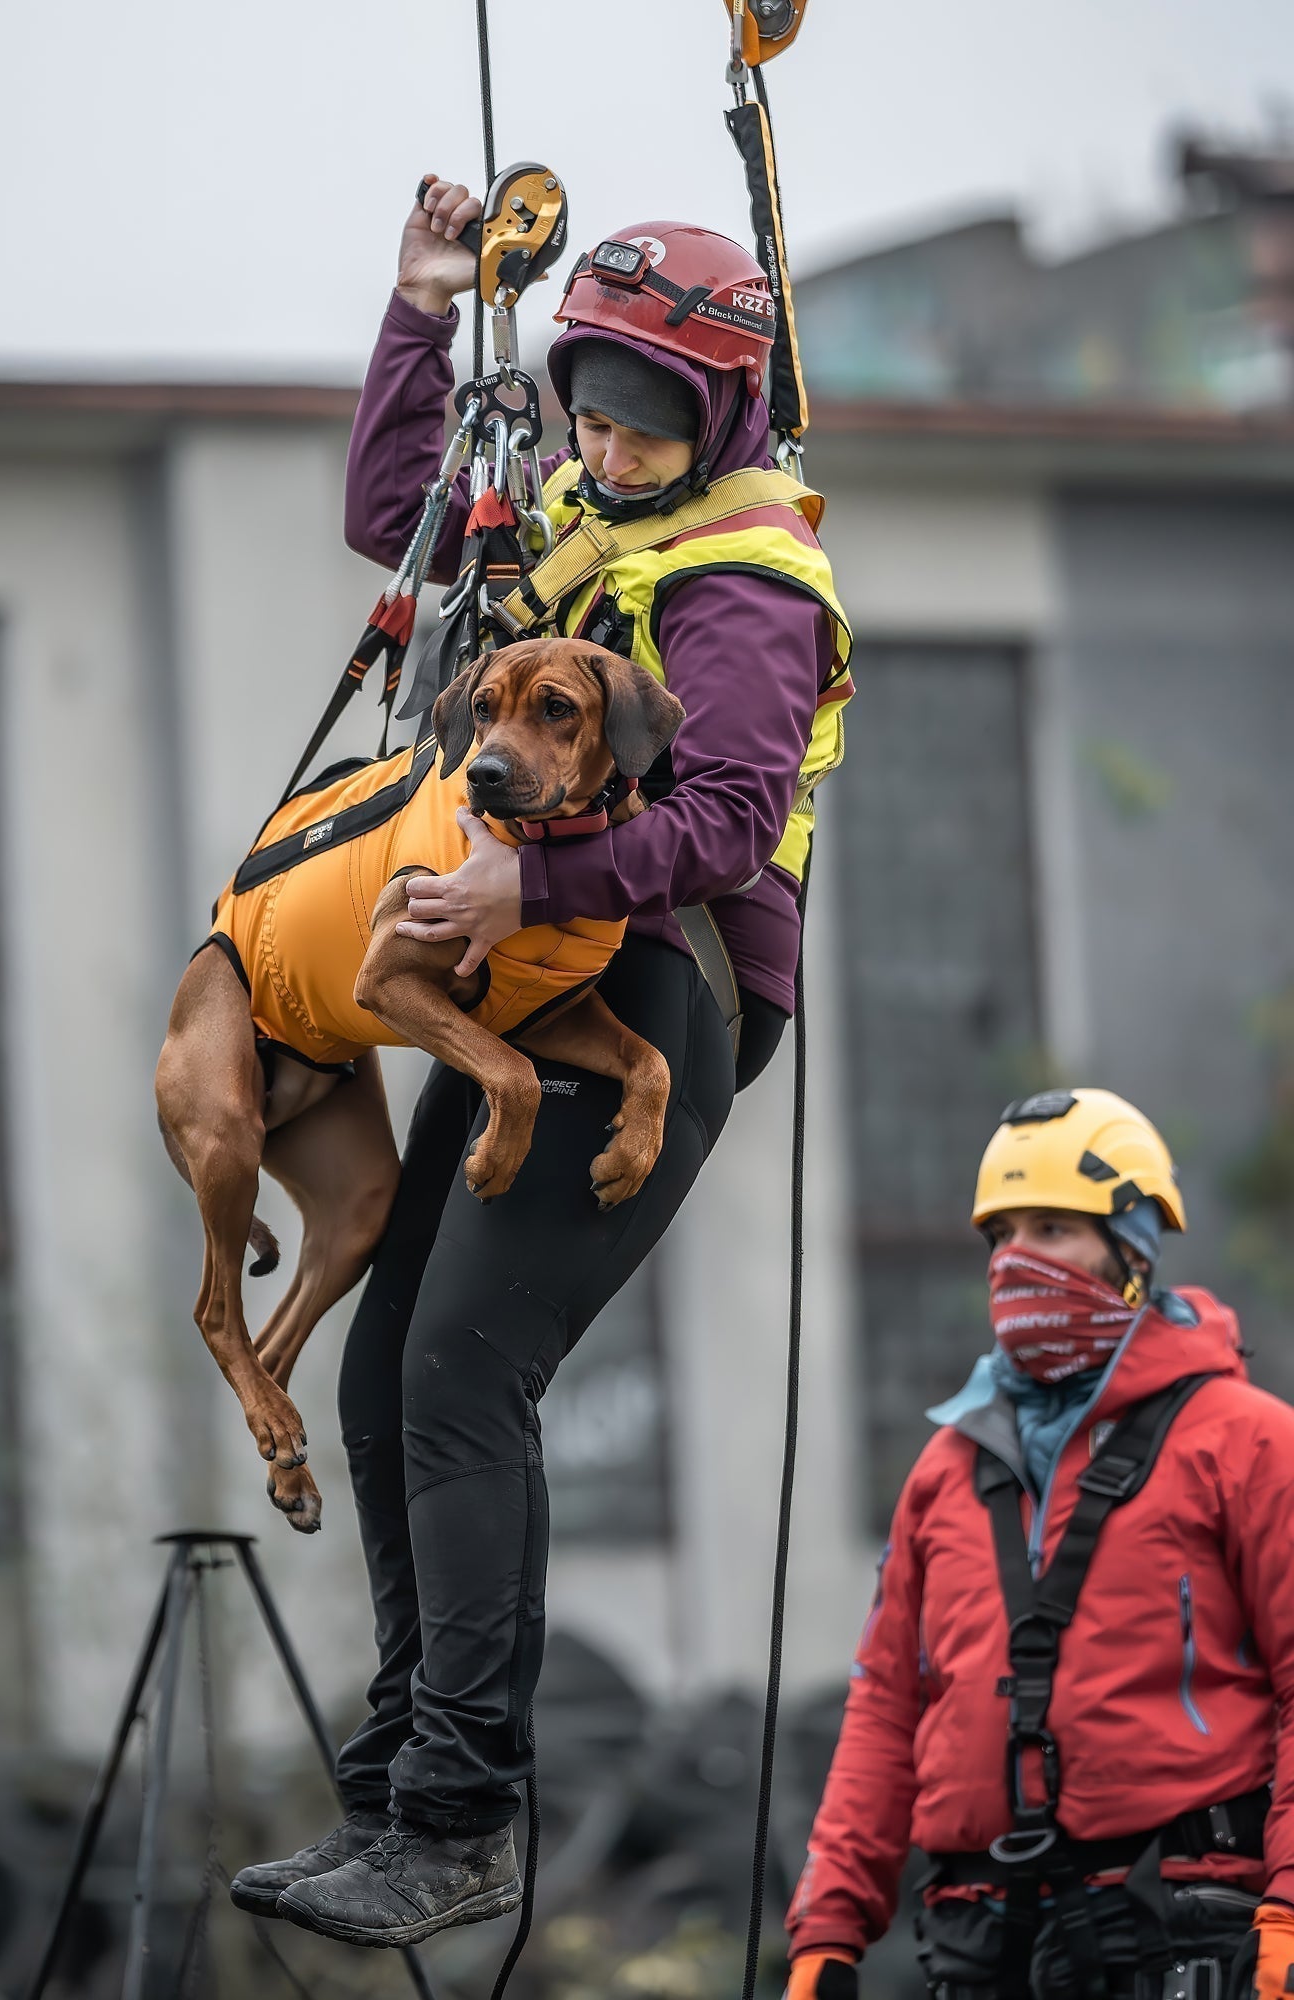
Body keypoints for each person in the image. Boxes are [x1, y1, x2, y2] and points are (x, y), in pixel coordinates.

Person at [230, 175, 853, 1950]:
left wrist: (530, 870)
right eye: (592, 402)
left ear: (716, 414)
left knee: (463, 1373)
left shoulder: (743, 586)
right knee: (380, 1385)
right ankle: (397, 1793)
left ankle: (459, 1812)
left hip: (667, 995)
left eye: (648, 417)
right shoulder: (575, 519)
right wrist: (424, 307)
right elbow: (390, 518)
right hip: (542, 972)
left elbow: (728, 820)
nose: (610, 439)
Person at [784, 1088, 1294, 2000]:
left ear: (1134, 1247)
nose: (1017, 1259)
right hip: (982, 1939)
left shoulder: (1250, 1443)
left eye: (1054, 1227)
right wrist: (828, 1930)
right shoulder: (946, 1469)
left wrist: (1289, 1910)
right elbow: (885, 1709)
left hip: (1180, 1930)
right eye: (1001, 1234)